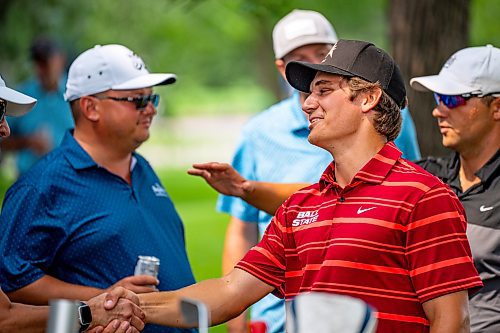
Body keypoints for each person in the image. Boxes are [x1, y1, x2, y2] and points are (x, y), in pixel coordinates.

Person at [109, 39, 481, 332]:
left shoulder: (424, 196)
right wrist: (125, 305)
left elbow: (452, 322)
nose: (307, 104)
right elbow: (229, 292)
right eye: (309, 93)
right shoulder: (300, 206)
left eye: (323, 90)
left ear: (368, 98)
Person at [218, 10, 421, 333]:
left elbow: (408, 191)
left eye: (321, 54)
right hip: (278, 316)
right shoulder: (261, 136)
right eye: (300, 59)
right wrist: (236, 323)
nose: (309, 102)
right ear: (281, 68)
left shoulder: (419, 188)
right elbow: (241, 239)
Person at [0, 44, 196, 333]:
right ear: (91, 107)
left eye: (151, 98)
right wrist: (99, 300)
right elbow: (14, 284)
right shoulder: (40, 186)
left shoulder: (141, 167)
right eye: (137, 100)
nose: (152, 109)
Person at [0, 74, 145, 333]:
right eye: (0, 111)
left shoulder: (141, 168)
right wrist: (88, 313)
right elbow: (5, 318)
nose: (6, 129)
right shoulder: (38, 185)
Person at [410, 44, 500, 332]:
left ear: (496, 107)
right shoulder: (425, 177)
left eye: (452, 99)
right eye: (438, 97)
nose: (438, 111)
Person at [1, 37, 74, 175]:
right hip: (28, 179)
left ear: (60, 59)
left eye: (45, 62)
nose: (41, 69)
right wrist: (27, 141)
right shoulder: (22, 97)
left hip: (67, 178)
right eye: (37, 62)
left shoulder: (76, 95)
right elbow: (3, 140)